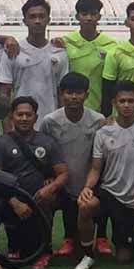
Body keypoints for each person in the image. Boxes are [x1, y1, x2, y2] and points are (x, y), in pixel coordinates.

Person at [76, 80, 134, 269]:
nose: (126, 105)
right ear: (114, 102)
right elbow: (96, 168)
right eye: (122, 101)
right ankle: (88, 255)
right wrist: (87, 188)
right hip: (108, 192)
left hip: (133, 199)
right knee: (85, 205)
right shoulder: (103, 132)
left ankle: (128, 243)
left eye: (131, 101)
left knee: (124, 258)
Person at [0, 96, 68, 269]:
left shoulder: (47, 142)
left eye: (28, 115)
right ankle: (11, 247)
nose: (24, 118)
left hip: (39, 198)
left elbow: (63, 173)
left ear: (35, 117)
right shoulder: (0, 143)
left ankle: (45, 249)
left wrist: (50, 188)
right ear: (11, 117)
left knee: (50, 200)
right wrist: (15, 202)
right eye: (20, 114)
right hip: (10, 198)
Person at [37, 72, 107, 259]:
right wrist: (48, 176)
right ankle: (45, 247)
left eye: (79, 93)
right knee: (46, 199)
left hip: (89, 178)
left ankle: (100, 237)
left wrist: (91, 183)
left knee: (90, 203)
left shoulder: (98, 120)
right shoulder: (50, 121)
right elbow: (43, 151)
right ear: (61, 94)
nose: (74, 97)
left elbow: (100, 155)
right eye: (69, 93)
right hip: (61, 180)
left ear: (87, 94)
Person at [0, 0, 68, 130]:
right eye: (32, 17)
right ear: (25, 21)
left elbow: (62, 93)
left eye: (42, 16)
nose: (37, 21)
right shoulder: (13, 51)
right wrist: (7, 125)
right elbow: (4, 92)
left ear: (48, 19)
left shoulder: (59, 52)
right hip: (20, 123)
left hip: (51, 123)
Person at [59, 0, 118, 113]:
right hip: (69, 108)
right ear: (77, 16)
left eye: (93, 14)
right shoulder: (65, 43)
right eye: (84, 14)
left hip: (99, 110)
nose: (89, 18)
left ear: (99, 17)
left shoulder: (111, 45)